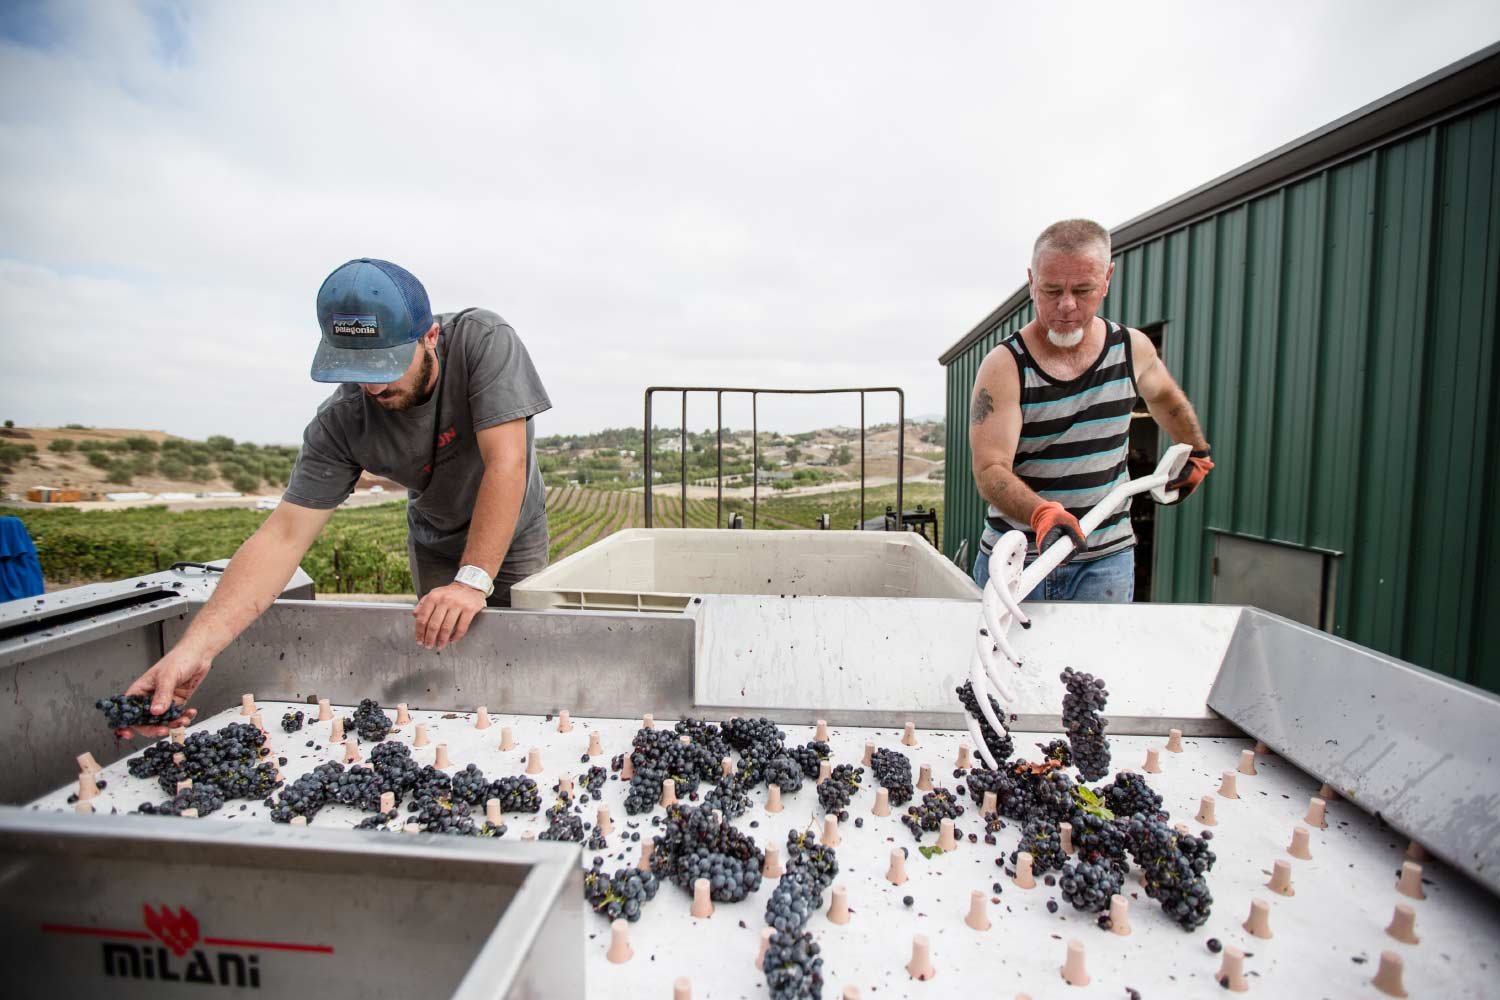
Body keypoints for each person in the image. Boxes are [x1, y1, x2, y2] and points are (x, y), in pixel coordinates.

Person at [120, 259, 551, 735]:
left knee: (522, 653)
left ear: (430, 336)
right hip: (435, 534)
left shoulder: (482, 340)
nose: (375, 386)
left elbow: (506, 463)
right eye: (358, 370)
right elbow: (283, 536)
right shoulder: (341, 422)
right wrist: (193, 650)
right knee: (450, 655)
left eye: (386, 365)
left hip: (514, 528)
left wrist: (471, 580)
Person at [969, 219, 1212, 601]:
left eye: (1082, 290)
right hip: (1019, 563)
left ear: (1107, 279)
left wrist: (1196, 450)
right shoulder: (1005, 366)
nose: (1066, 305)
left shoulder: (1131, 348)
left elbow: (1165, 397)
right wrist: (1041, 514)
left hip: (1105, 564)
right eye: (1052, 290)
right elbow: (989, 469)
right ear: (1031, 281)